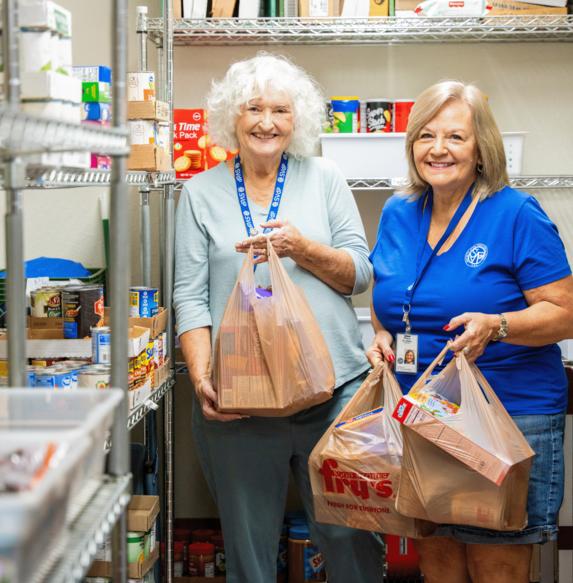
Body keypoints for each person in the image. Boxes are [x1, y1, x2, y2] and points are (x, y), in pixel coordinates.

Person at [174, 54, 383, 583]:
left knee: (352, 539)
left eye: (280, 110)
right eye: (253, 108)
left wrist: (301, 248)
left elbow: (359, 273)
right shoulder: (198, 193)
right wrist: (202, 378)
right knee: (250, 551)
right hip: (239, 402)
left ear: (299, 119)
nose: (266, 122)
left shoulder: (326, 177)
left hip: (333, 391)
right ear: (232, 118)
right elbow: (190, 297)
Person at [367, 81, 573, 583]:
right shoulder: (399, 212)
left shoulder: (516, 214)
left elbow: (564, 315)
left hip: (506, 415)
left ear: (482, 149)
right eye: (425, 135)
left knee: (496, 568)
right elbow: (389, 297)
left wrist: (498, 325)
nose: (437, 149)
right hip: (422, 413)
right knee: (437, 561)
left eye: (455, 137)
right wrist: (382, 334)